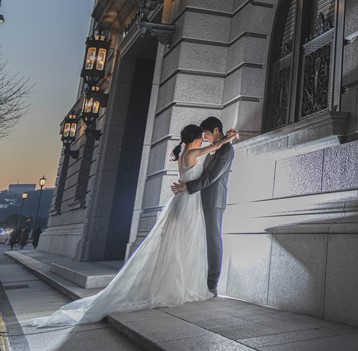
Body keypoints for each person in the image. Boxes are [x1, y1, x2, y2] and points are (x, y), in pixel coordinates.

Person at [29, 124, 237, 328]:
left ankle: (181, 283)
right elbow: (214, 148)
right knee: (184, 242)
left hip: (185, 201)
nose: (204, 138)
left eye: (206, 135)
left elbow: (208, 158)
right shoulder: (193, 153)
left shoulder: (186, 154)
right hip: (188, 204)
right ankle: (180, 285)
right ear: (194, 139)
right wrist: (229, 137)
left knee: (180, 243)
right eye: (201, 136)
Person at [172, 116, 235, 297]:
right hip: (199, 200)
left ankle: (211, 285)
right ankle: (197, 280)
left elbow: (211, 177)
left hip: (213, 202)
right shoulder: (211, 150)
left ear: (216, 130)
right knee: (200, 242)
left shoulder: (227, 150)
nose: (205, 137)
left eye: (206, 133)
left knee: (213, 242)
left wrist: (187, 187)